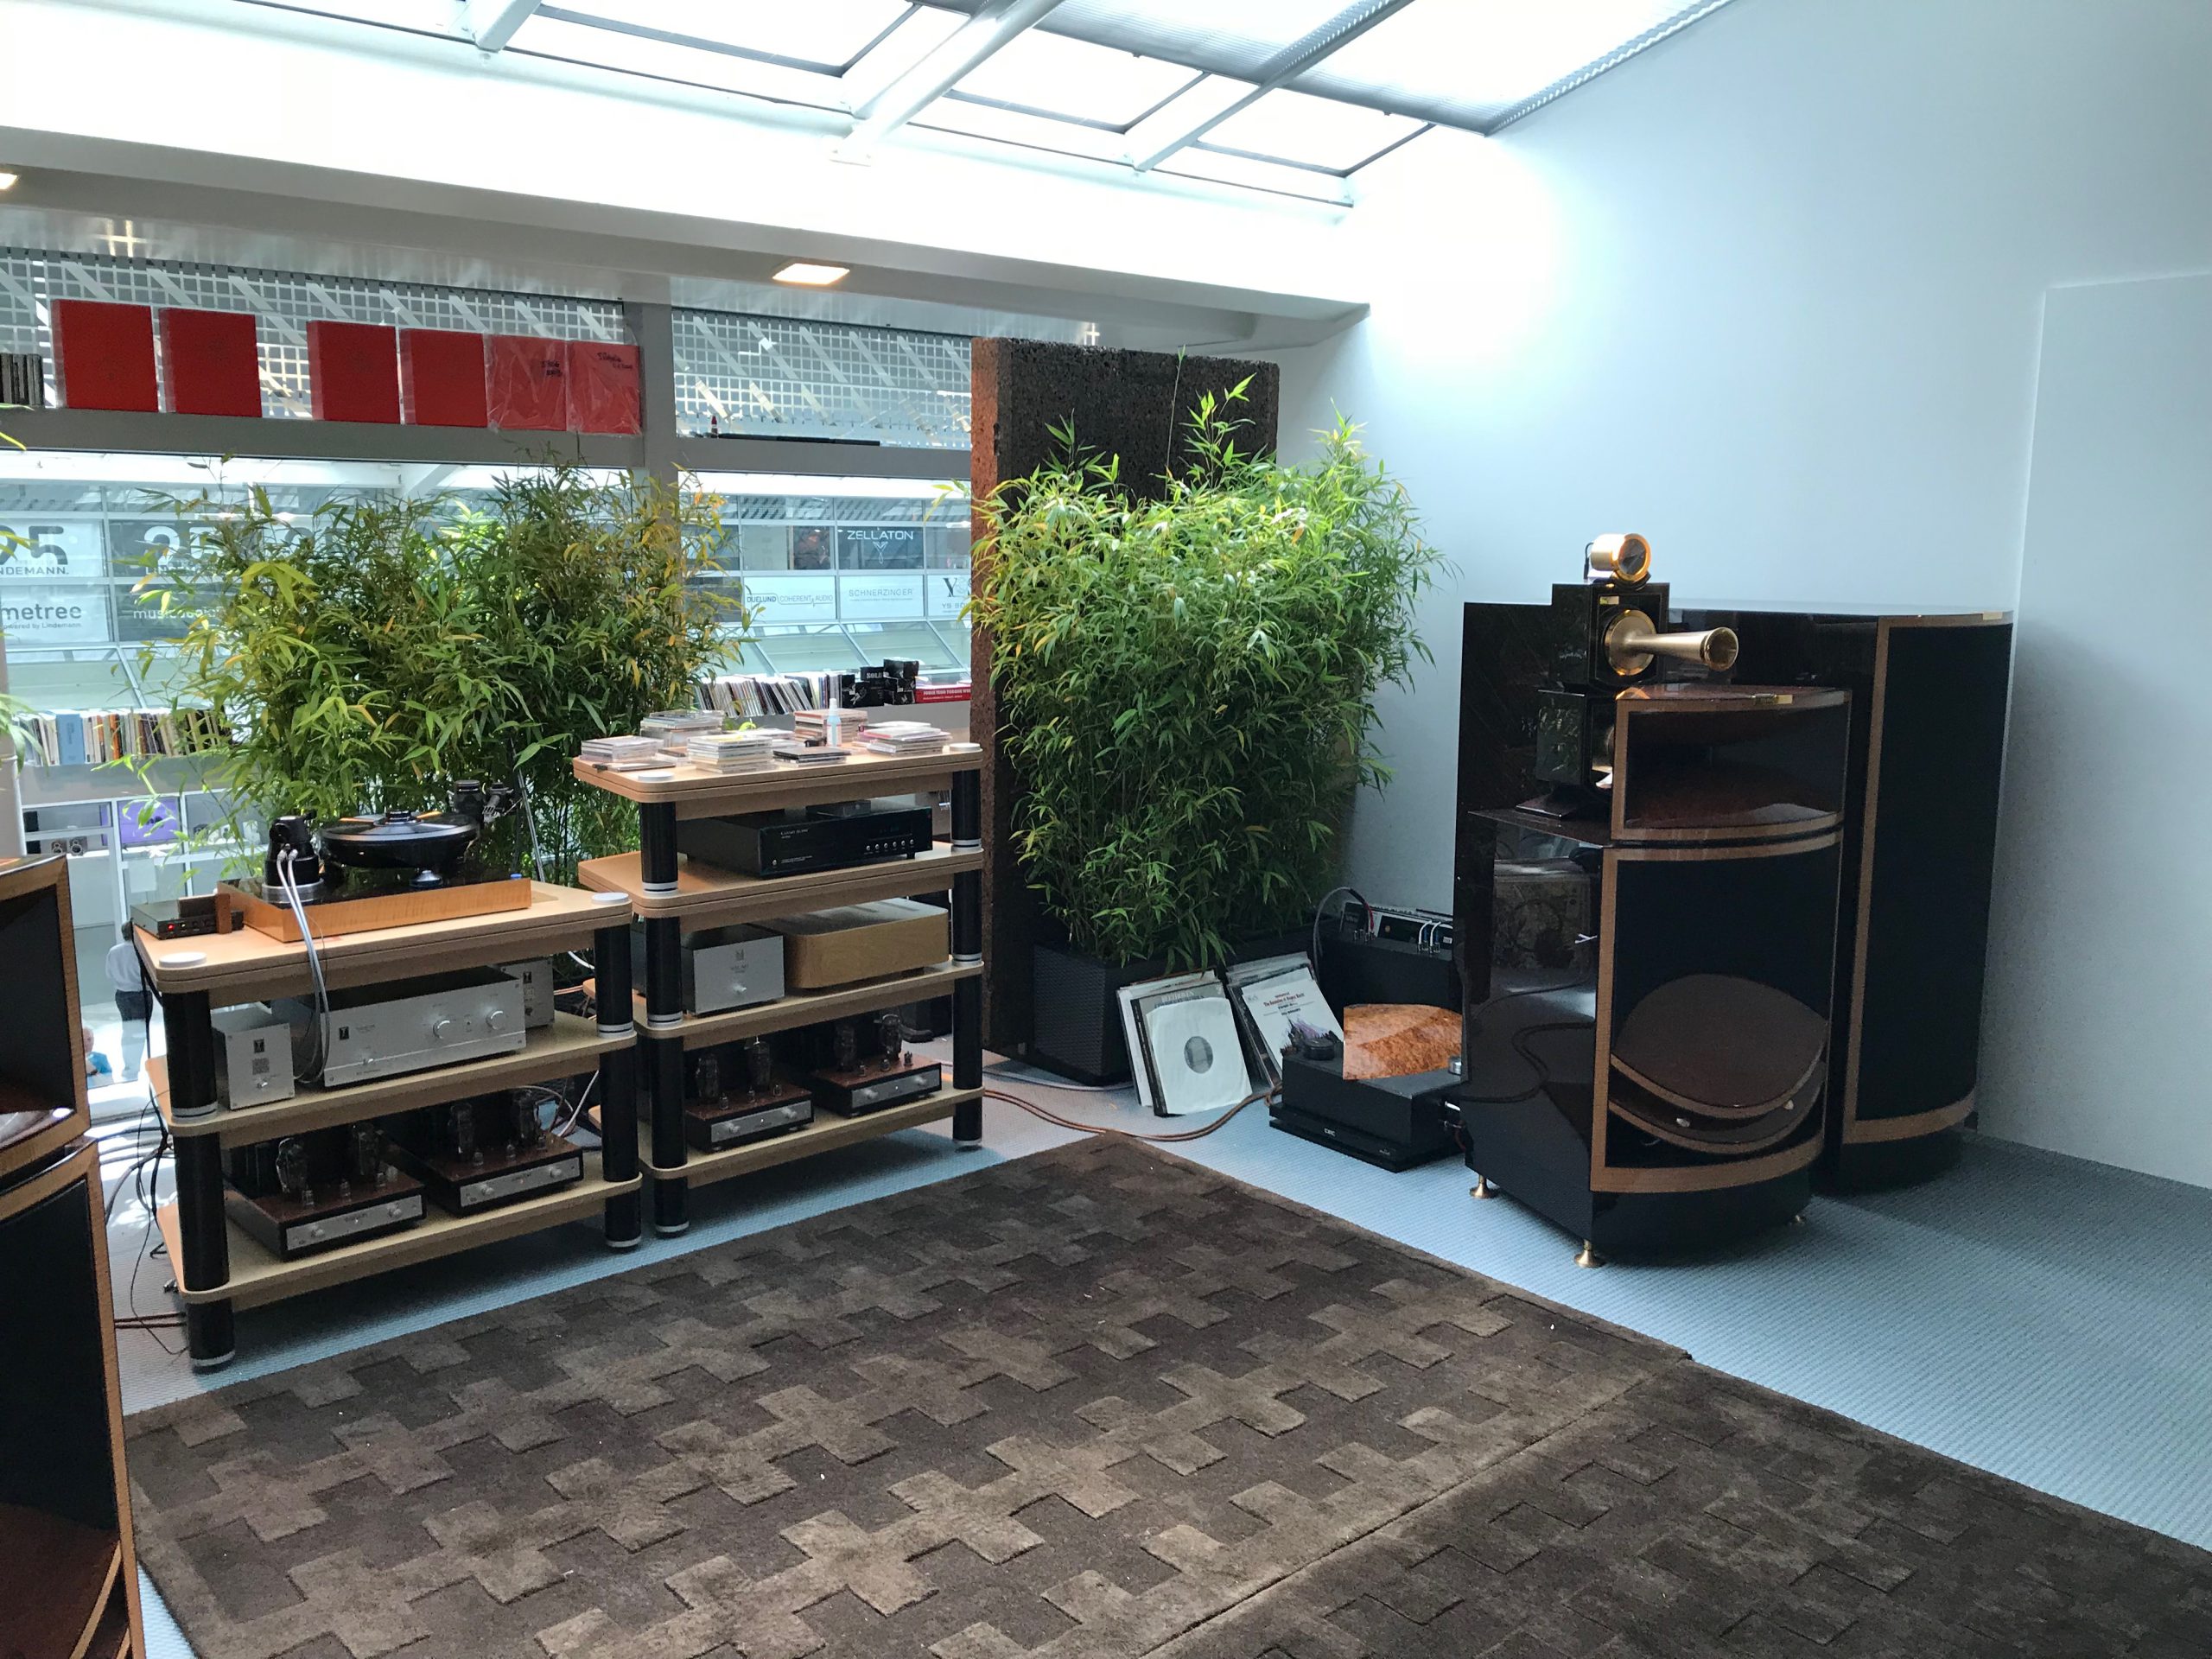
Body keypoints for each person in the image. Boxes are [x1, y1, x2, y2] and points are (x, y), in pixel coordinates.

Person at [105, 924, 151, 1082]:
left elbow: (109, 974)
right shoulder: (141, 950)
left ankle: (130, 1068)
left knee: (128, 1031)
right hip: (141, 994)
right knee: (139, 1033)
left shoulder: (113, 951)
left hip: (121, 995)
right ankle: (136, 1067)